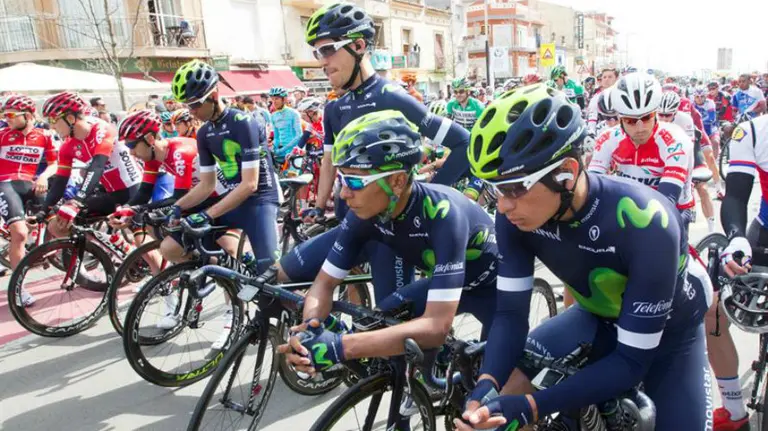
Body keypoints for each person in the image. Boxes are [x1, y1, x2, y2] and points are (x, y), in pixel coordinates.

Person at [459, 83, 712, 431]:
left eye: (514, 188)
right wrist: (486, 385)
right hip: (596, 316)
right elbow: (510, 314)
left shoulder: (646, 221)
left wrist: (532, 406)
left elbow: (631, 361)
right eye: (495, 189)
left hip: (673, 331)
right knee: (503, 393)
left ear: (566, 173)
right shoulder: (512, 216)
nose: (501, 205)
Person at [278, 112, 498, 418]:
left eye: (353, 180)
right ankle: (424, 380)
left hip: (494, 290)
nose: (343, 192)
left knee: (492, 395)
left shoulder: (443, 214)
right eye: (341, 179)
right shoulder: (362, 214)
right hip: (449, 283)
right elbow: (324, 283)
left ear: (396, 180)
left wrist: (340, 347)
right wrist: (309, 331)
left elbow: (435, 327)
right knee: (387, 315)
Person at [165, 59, 279, 275]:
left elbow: (250, 184)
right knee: (172, 247)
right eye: (187, 105)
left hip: (260, 200)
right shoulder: (204, 132)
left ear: (214, 95)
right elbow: (206, 185)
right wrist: (177, 207)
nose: (192, 111)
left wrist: (207, 215)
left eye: (196, 103)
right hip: (233, 202)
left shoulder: (243, 122)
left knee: (274, 279)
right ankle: (234, 276)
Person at [589, 72, 695, 237]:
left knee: (659, 250)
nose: (640, 128)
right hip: (628, 205)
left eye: (646, 118)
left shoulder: (676, 140)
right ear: (620, 118)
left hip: (675, 208)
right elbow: (591, 189)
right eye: (631, 121)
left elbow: (666, 202)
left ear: (655, 113)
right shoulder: (608, 138)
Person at [716, 115, 768, 431]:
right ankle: (734, 410)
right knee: (713, 311)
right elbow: (735, 195)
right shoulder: (750, 130)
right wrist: (735, 236)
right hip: (764, 236)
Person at [40, 91, 142, 239]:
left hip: (133, 189)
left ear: (70, 118)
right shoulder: (67, 146)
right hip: (110, 193)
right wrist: (43, 211)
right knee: (58, 225)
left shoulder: (101, 129)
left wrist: (77, 200)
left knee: (141, 242)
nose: (52, 126)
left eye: (53, 120)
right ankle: (110, 250)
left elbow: (98, 166)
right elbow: (60, 181)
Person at [0, 95, 59, 306]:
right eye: (4, 115)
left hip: (31, 184)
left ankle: (74, 263)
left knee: (61, 222)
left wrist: (44, 176)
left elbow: (55, 164)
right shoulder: (2, 135)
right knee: (19, 233)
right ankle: (18, 288)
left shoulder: (44, 136)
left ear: (26, 115)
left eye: (10, 115)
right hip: (5, 184)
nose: (6, 118)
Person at [269, 86, 302, 169]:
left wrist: (283, 149)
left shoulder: (294, 113)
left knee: (293, 178)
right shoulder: (273, 116)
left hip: (293, 151)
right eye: (272, 99)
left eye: (276, 99)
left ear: (284, 99)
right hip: (280, 152)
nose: (274, 102)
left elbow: (299, 135)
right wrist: (274, 147)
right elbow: (276, 137)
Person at [587, 67, 619, 135]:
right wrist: (591, 132)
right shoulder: (596, 98)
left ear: (616, 79)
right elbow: (592, 118)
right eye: (604, 77)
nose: (607, 79)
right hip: (602, 133)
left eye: (610, 77)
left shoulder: (621, 95)